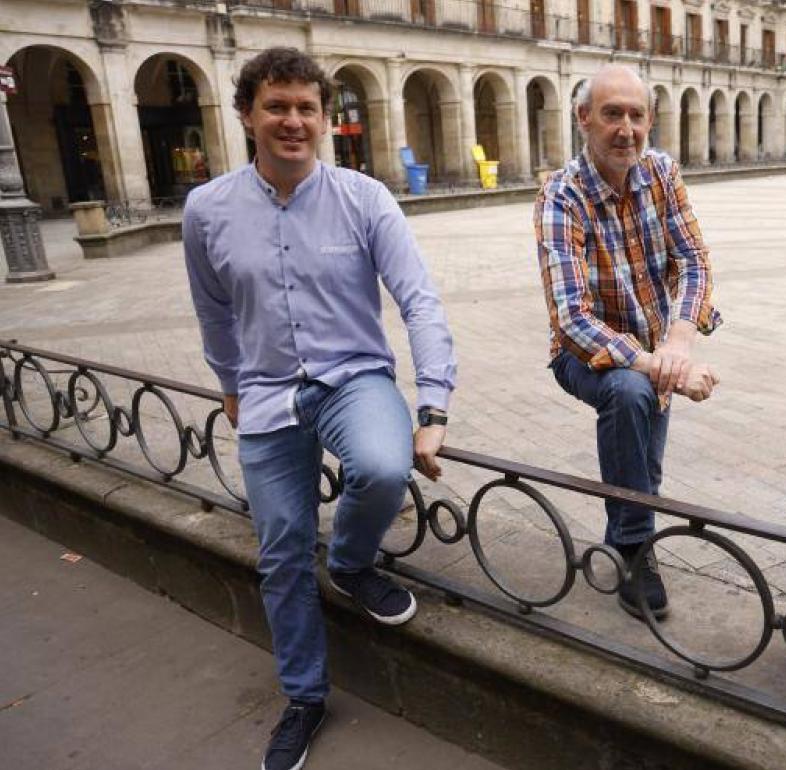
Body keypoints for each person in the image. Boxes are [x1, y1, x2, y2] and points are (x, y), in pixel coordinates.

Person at [182, 47, 456, 770]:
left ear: (326, 118)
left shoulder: (365, 199)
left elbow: (419, 301)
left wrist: (434, 405)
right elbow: (213, 313)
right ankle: (304, 697)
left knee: (379, 463)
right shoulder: (206, 211)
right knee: (278, 553)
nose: (293, 121)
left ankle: (355, 561)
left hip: (353, 377)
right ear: (247, 114)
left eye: (307, 107)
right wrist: (231, 386)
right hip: (267, 393)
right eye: (277, 106)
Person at [534, 65, 721, 621]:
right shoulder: (560, 196)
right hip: (582, 355)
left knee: (644, 455)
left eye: (637, 115)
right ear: (583, 119)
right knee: (632, 394)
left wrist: (680, 343)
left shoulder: (661, 172)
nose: (626, 129)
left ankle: (625, 535)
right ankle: (637, 546)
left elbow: (693, 260)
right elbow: (571, 317)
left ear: (650, 121)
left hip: (659, 344)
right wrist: (659, 364)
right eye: (612, 114)